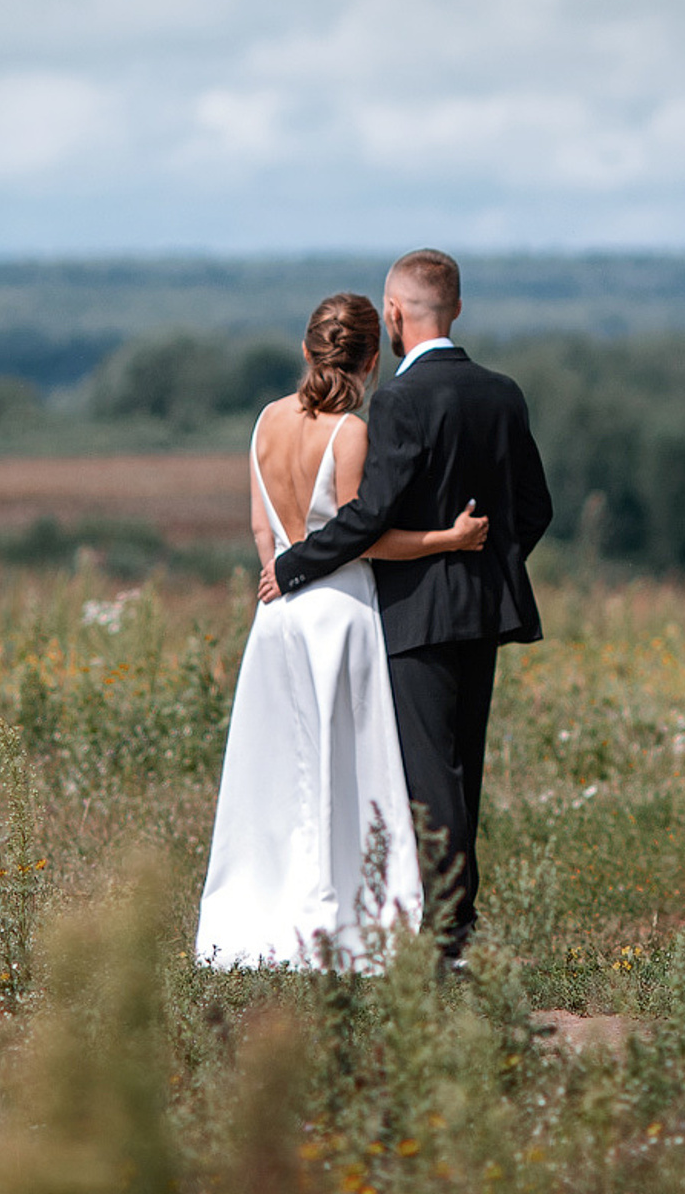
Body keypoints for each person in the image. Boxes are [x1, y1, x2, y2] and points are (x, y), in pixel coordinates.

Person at [264, 249, 553, 961]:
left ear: (394, 313)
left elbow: (369, 516)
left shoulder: (399, 400)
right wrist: (483, 565)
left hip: (414, 615)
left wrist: (294, 564)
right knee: (463, 768)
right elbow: (535, 509)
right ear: (456, 307)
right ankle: (453, 925)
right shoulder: (503, 391)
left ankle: (451, 936)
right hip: (485, 612)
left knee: (430, 777)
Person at [194, 290, 490, 969]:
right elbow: (366, 540)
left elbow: (261, 527)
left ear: (306, 351)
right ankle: (348, 920)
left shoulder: (266, 420)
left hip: (277, 616)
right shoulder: (352, 432)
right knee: (349, 771)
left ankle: (264, 916)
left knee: (280, 771)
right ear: (370, 360)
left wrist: (276, 574)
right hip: (341, 617)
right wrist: (447, 537)